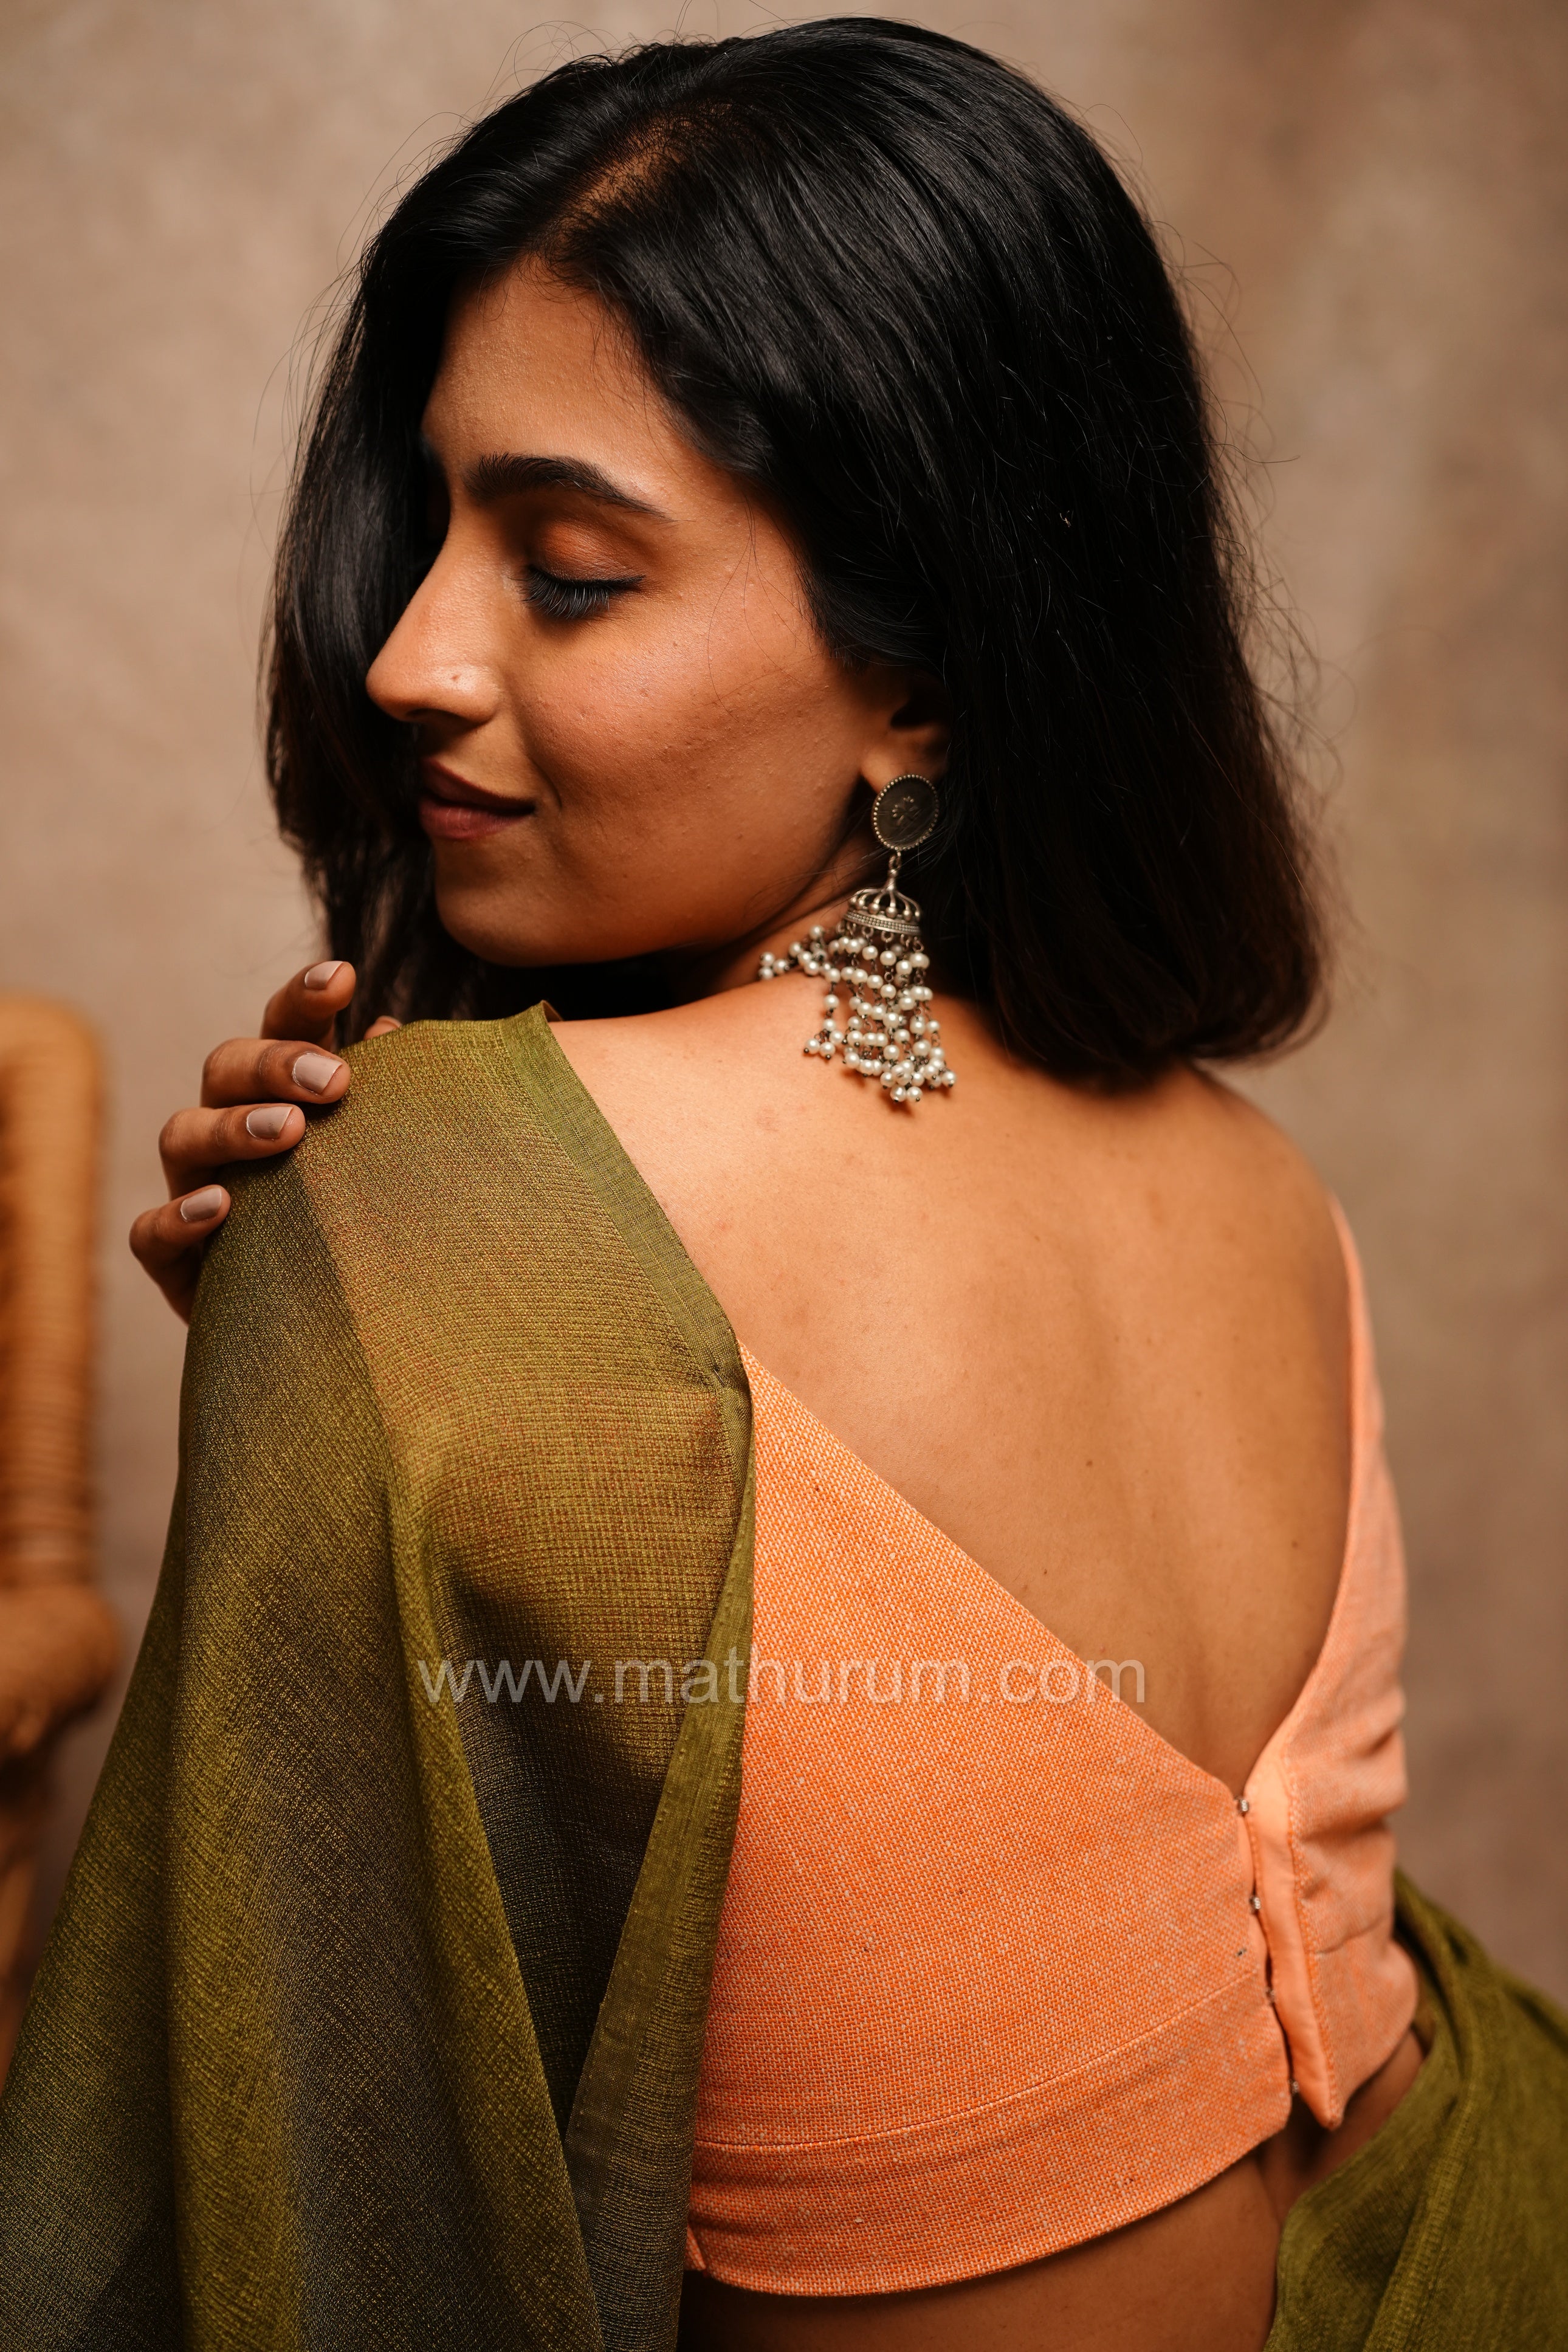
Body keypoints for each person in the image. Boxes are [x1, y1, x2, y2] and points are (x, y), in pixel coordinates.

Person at [2, 21, 1564, 2352]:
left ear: (922, 676)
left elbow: (288, 2210)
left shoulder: (438, 1211)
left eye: (568, 570)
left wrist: (392, 1300)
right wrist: (354, 1391)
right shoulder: (1266, 1197)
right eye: (430, 528)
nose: (409, 653)